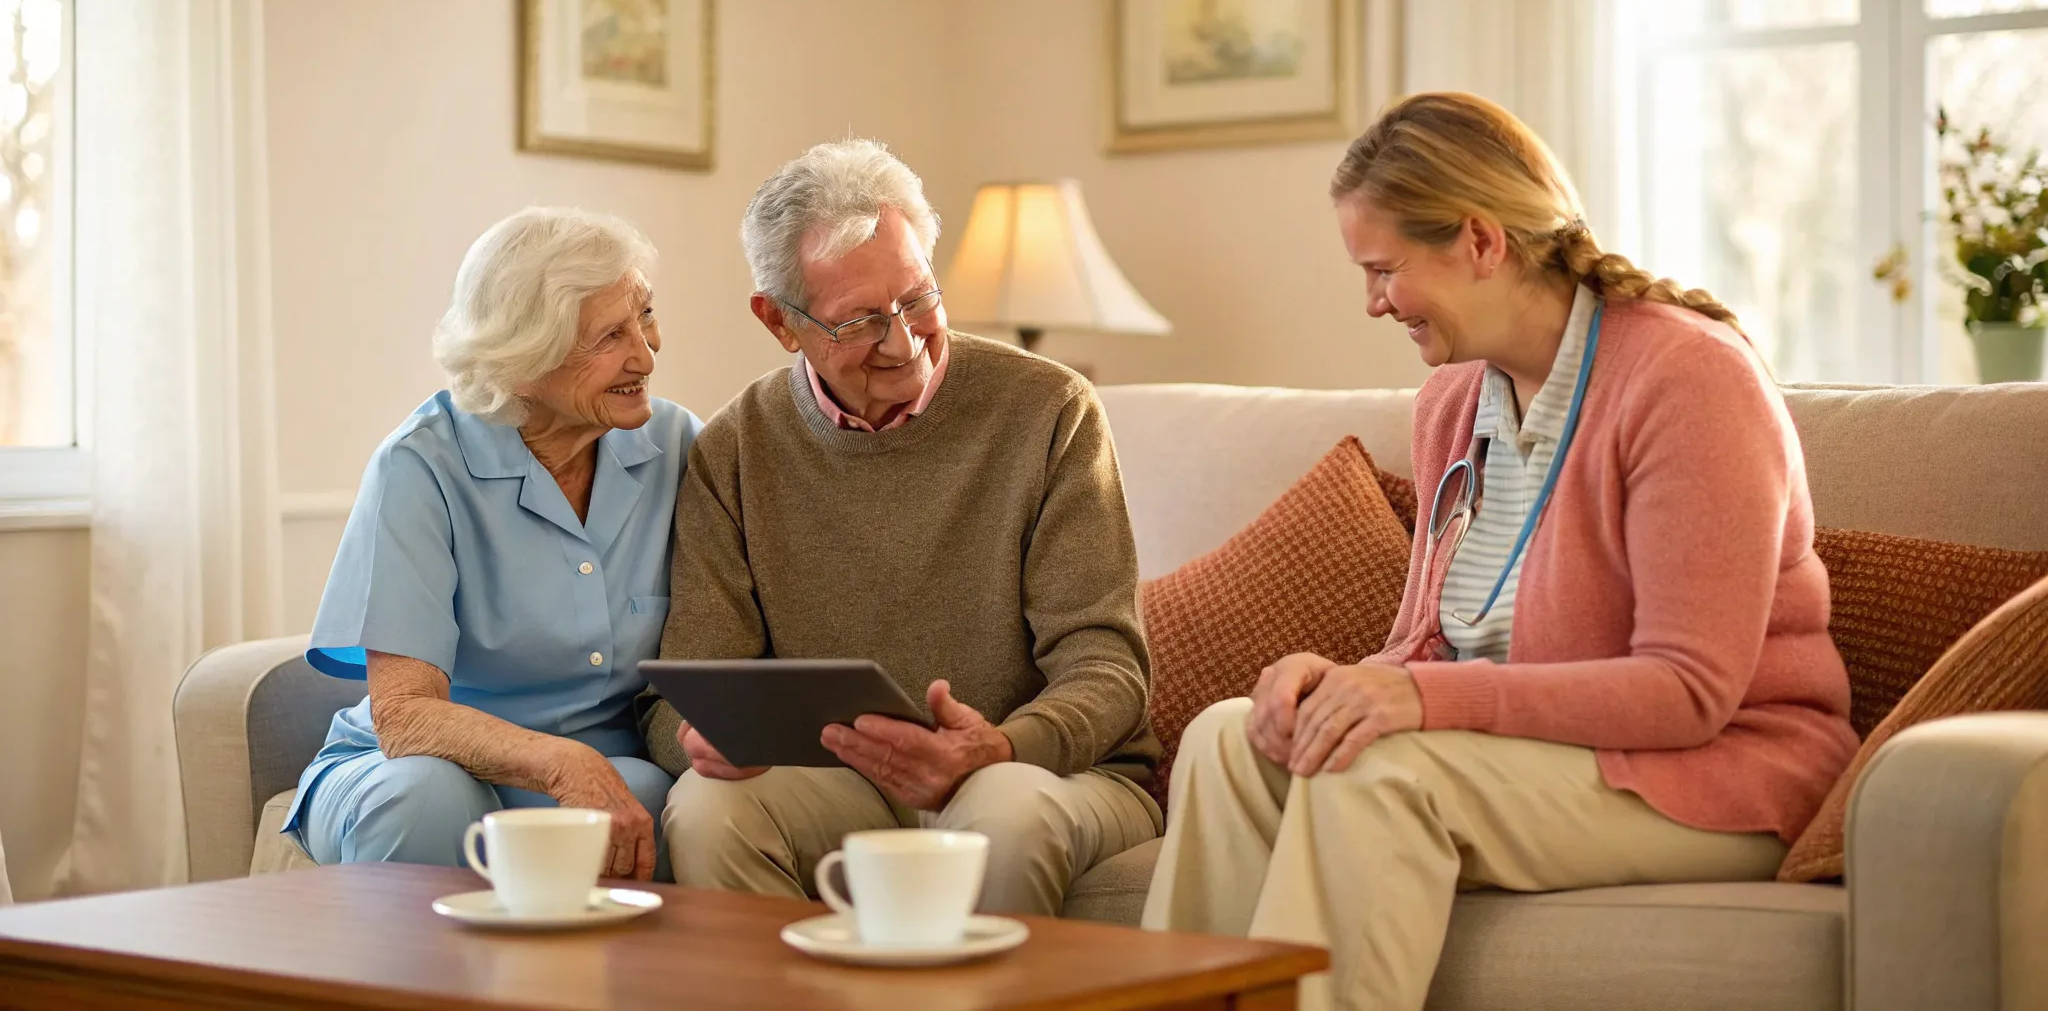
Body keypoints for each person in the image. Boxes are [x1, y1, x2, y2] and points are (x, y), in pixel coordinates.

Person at [1141, 93, 1859, 1010]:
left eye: (1384, 269)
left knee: (1378, 775)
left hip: (1721, 772)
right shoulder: (1453, 402)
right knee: (1225, 740)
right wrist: (1337, 680)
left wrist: (1417, 698)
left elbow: (1688, 693)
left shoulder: (1689, 381)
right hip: (1528, 757)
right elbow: (1426, 650)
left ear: (1481, 241)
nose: (1371, 304)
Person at [637, 138, 1162, 915]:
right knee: (710, 811)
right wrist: (699, 739)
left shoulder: (1050, 410)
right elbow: (687, 689)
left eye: (918, 298)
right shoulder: (735, 449)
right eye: (861, 322)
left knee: (1000, 814)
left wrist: (998, 745)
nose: (904, 342)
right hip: (842, 787)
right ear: (780, 322)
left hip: (1043, 774)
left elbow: (1108, 665)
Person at [286, 207, 701, 882]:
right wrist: (564, 763)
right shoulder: (421, 466)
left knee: (644, 794)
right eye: (610, 336)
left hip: (600, 766)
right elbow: (406, 716)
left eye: (645, 317)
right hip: (420, 764)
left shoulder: (677, 446)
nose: (646, 355)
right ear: (525, 357)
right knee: (427, 799)